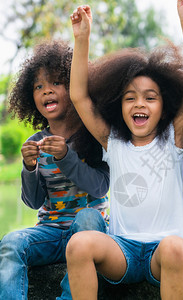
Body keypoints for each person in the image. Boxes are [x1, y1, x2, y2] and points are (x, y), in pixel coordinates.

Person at [66, 0, 183, 298]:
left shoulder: (173, 138)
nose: (139, 103)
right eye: (130, 98)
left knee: (174, 247)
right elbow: (78, 96)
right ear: (119, 106)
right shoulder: (112, 142)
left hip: (164, 254)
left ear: (164, 106)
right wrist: (81, 39)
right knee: (78, 244)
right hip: (123, 252)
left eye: (150, 97)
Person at [0, 40, 110, 300]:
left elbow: (100, 187)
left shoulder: (93, 136)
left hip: (89, 233)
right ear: (31, 97)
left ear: (74, 87)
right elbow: (33, 201)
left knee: (86, 217)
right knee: (11, 242)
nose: (46, 91)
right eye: (39, 86)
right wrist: (29, 168)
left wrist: (66, 157)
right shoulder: (35, 142)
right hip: (50, 231)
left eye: (56, 83)